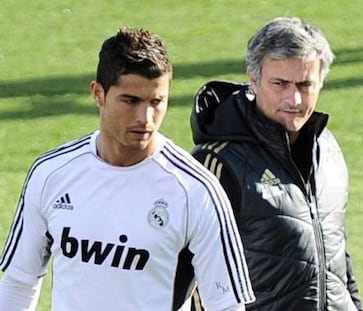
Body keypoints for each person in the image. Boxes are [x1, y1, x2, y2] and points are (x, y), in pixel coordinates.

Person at [0, 27, 255, 311]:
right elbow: (19, 283)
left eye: (157, 102)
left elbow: (226, 305)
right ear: (98, 94)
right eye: (131, 101)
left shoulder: (196, 190)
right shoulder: (52, 173)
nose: (145, 118)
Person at [190, 17, 363, 310]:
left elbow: (337, 257)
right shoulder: (217, 163)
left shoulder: (328, 148)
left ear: (321, 81)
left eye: (305, 84)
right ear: (253, 79)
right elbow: (194, 281)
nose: (293, 98)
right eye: (280, 84)